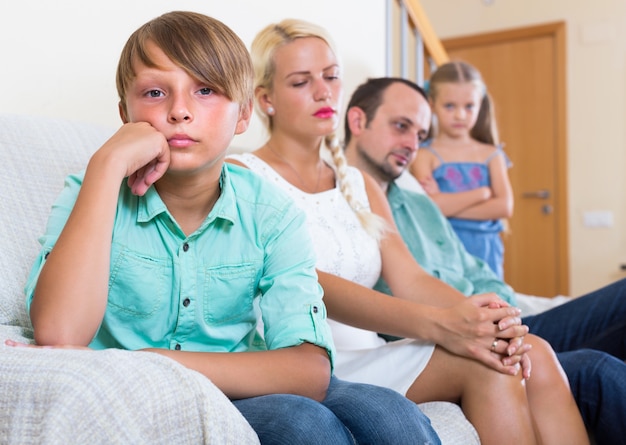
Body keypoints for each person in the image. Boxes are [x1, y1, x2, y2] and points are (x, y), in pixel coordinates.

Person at [9, 12, 442, 445]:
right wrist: (107, 166)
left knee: (394, 417)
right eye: (156, 92)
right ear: (126, 113)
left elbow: (309, 369)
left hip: (239, 375)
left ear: (244, 114)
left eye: (205, 90)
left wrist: (152, 359)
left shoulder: (271, 212)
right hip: (176, 395)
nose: (179, 111)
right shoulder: (93, 191)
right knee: (304, 424)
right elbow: (59, 335)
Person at [228, 18, 589, 445]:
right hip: (308, 356)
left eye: (331, 77)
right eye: (301, 82)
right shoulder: (243, 176)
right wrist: (442, 325)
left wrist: (486, 322)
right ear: (266, 98)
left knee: (532, 351)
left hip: (371, 350)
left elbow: (410, 279)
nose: (324, 92)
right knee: (489, 364)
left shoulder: (358, 184)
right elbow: (307, 283)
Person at [342, 75, 626, 445]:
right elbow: (401, 291)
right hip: (459, 327)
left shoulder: (419, 202)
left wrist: (503, 310)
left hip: (496, 316)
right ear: (357, 121)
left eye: (420, 134)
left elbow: (475, 271)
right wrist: (487, 321)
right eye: (401, 127)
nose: (412, 144)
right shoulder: (344, 202)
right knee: (594, 366)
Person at [410, 61, 512, 279]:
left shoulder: (492, 154)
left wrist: (447, 204)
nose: (460, 115)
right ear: (432, 103)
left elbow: (504, 206)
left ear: (479, 105)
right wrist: (481, 194)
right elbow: (430, 209)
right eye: (449, 106)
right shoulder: (423, 155)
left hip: (487, 249)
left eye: (469, 106)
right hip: (443, 247)